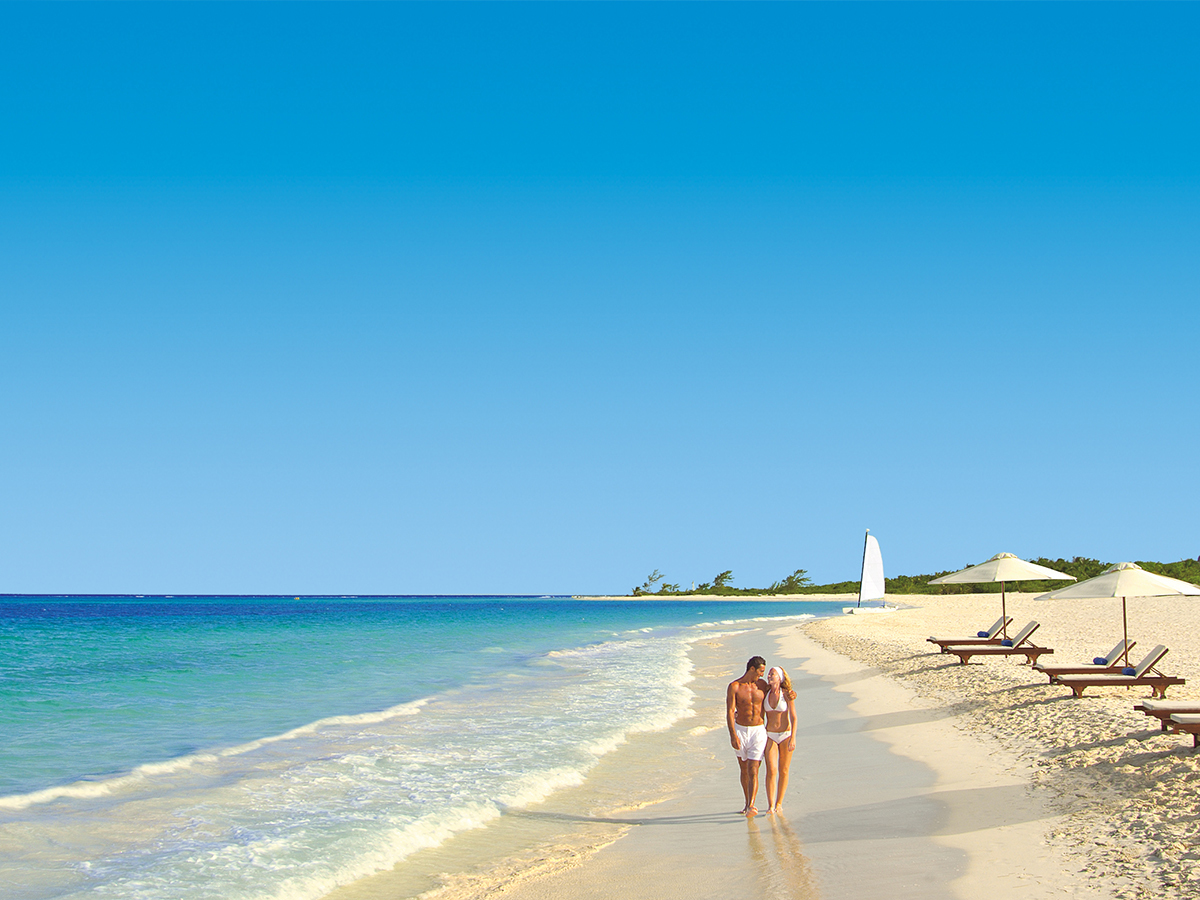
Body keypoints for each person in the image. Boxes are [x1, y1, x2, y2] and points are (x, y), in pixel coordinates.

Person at [726, 655, 768, 816]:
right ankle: (746, 802)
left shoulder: (762, 685)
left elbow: (778, 694)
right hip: (741, 730)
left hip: (758, 730)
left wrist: (791, 694)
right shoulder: (734, 686)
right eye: (760, 671)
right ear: (752, 669)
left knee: (754, 769)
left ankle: (752, 805)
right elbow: (730, 712)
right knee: (744, 769)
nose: (762, 675)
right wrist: (732, 735)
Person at [763, 666, 798, 814]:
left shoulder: (786, 694)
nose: (770, 675)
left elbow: (794, 717)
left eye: (773, 674)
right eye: (769, 673)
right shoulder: (764, 693)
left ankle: (779, 803)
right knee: (771, 770)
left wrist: (793, 738)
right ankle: (771, 805)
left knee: (783, 770)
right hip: (770, 735)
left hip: (786, 735)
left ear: (780, 678)